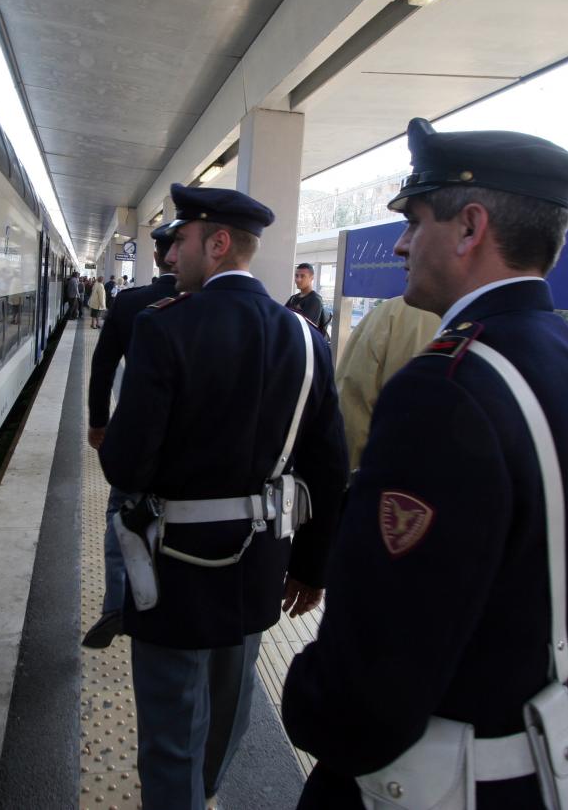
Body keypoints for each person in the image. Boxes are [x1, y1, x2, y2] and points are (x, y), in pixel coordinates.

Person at [281, 119, 568, 809]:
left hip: (451, 779)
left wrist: (309, 703)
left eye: (414, 219)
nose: (404, 243)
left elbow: (382, 644)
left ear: (469, 227)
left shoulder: (445, 386)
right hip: (557, 760)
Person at [100, 184, 348, 810]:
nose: (170, 254)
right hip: (260, 564)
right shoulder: (307, 340)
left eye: (179, 240)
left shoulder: (165, 328)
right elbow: (328, 465)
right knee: (230, 710)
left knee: (170, 725)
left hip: (172, 566)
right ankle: (203, 795)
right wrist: (313, 568)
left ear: (215, 245)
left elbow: (125, 465)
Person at [82, 224, 178, 649]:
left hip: (135, 437)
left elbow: (103, 368)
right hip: (190, 445)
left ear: (157, 257)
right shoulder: (210, 306)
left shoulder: (132, 302)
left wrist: (98, 422)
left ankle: (116, 604)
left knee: (121, 516)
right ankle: (164, 602)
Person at [334, 295, 441, 469]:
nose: (407, 266)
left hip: (389, 483)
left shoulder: (390, 316)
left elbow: (352, 414)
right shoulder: (491, 327)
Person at [286, 262, 328, 337]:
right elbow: (283, 316)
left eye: (302, 276)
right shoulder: (293, 298)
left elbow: (305, 327)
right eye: (296, 276)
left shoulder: (314, 300)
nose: (298, 279)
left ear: (311, 278)